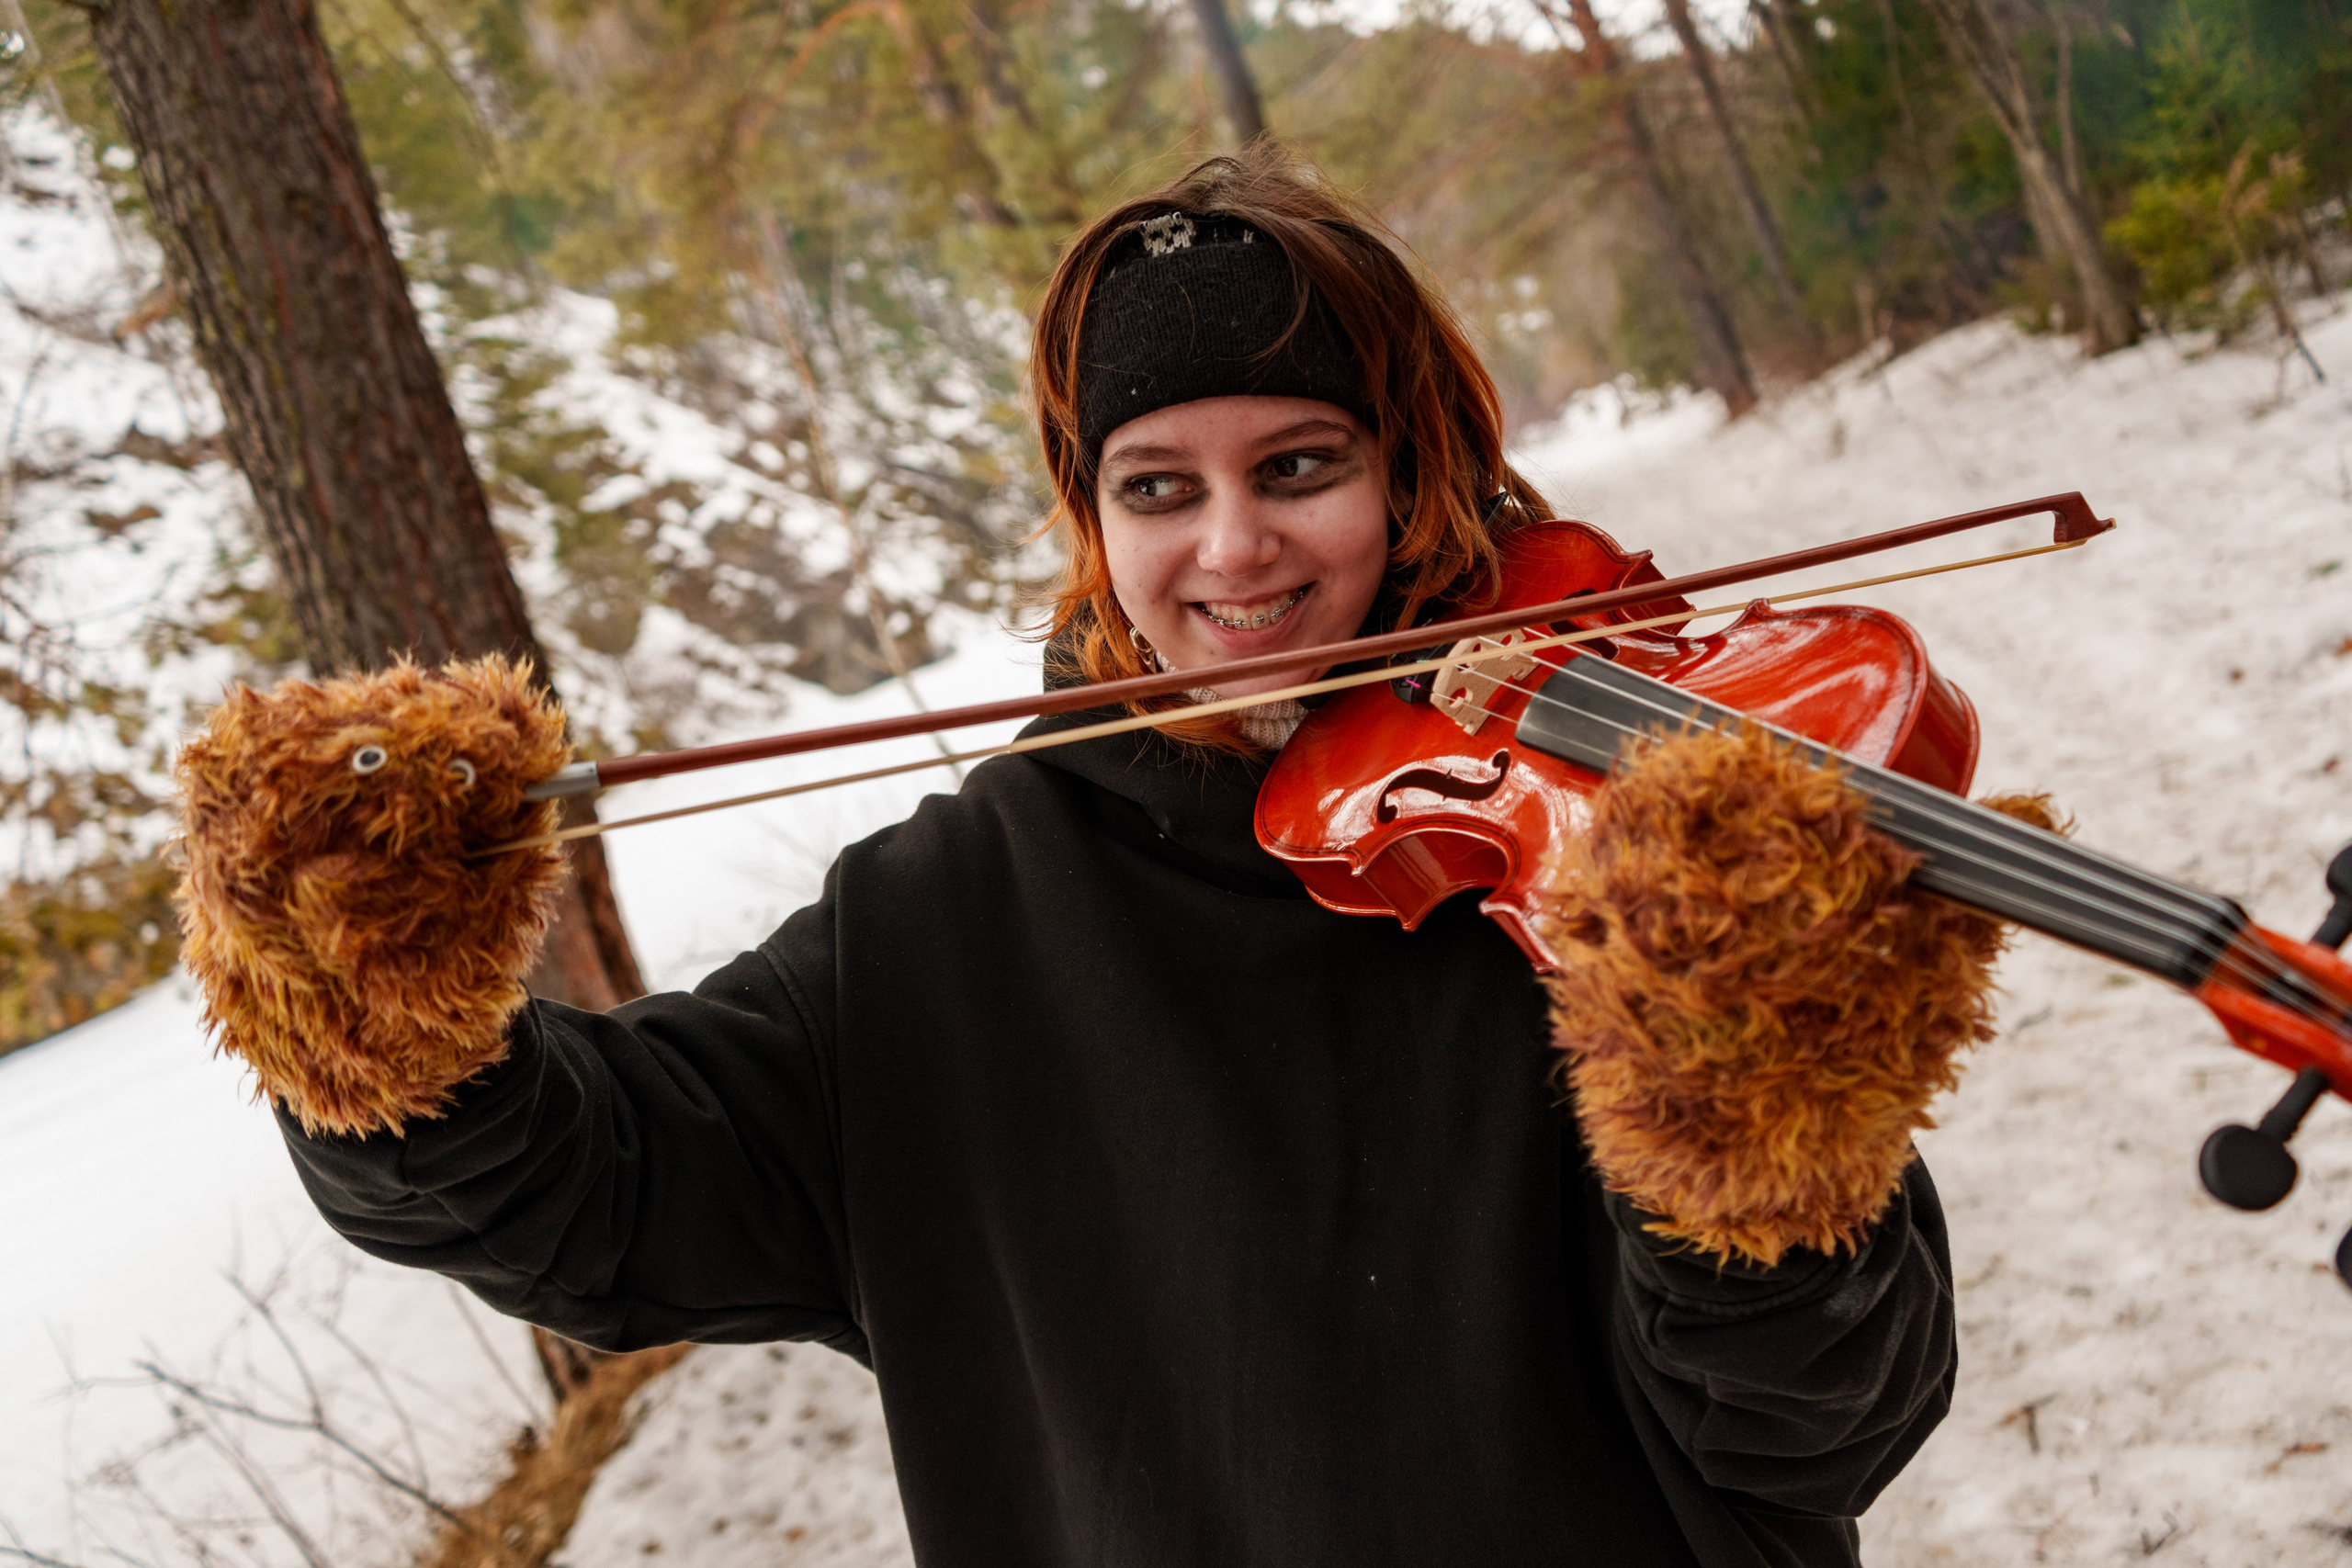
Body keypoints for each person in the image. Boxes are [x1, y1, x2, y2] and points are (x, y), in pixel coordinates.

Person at [213, 149, 1970, 1567]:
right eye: (1156, 487)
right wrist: (358, 985)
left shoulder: (1621, 857)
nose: (1235, 550)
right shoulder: (939, 927)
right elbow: (566, 1198)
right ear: (1089, 516)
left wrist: (1750, 1136)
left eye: (1301, 464)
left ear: (1415, 475)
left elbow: (1827, 1426)